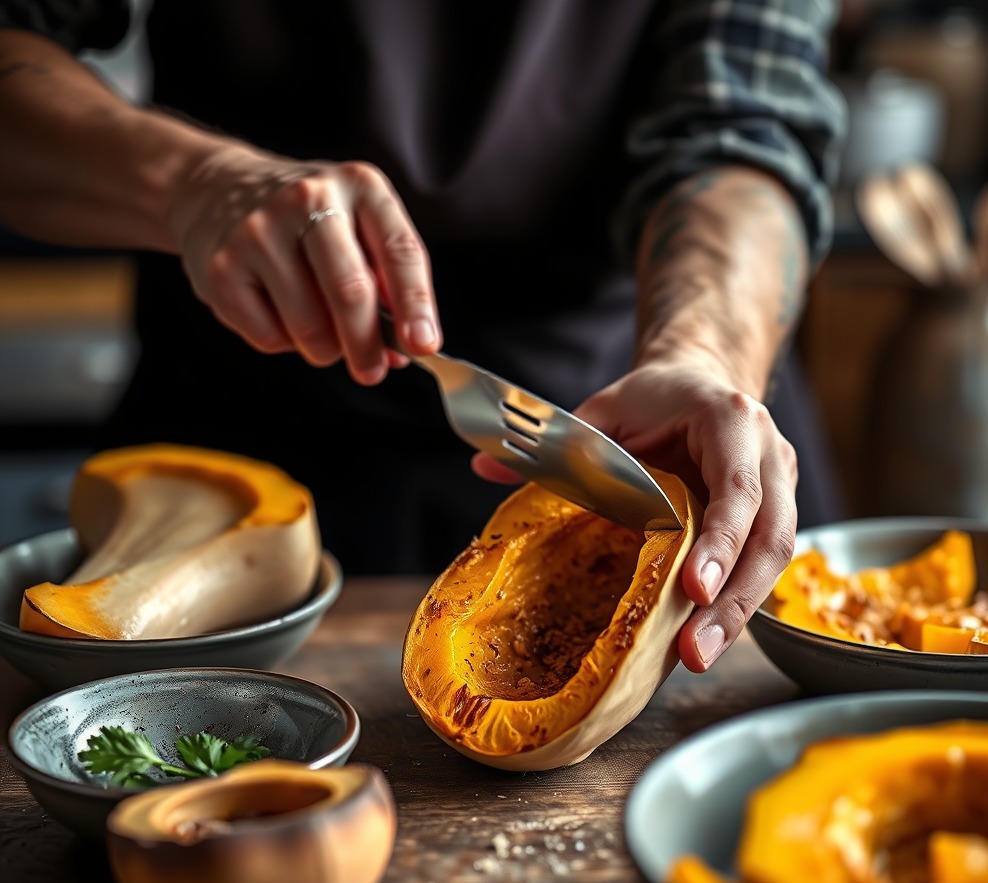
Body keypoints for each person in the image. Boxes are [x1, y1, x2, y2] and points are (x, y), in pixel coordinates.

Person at [0, 0, 847, 674]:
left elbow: (744, 127)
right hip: (247, 411)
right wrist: (195, 183)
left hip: (635, 410)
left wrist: (704, 351)